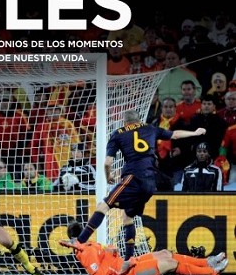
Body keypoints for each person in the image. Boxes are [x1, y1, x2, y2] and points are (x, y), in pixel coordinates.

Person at [68, 109, 207, 260]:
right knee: (127, 216)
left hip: (133, 178)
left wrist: (108, 176)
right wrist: (195, 133)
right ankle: (129, 260)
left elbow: (108, 162)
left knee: (103, 206)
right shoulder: (150, 128)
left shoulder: (118, 133)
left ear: (124, 122)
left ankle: (79, 241)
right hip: (150, 184)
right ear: (139, 120)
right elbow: (174, 134)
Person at [59, 238, 228, 275]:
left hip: (128, 264)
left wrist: (112, 251)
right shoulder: (86, 254)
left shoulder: (90, 244)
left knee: (165, 253)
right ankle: (211, 272)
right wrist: (112, 257)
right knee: (169, 263)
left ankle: (207, 262)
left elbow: (109, 254)